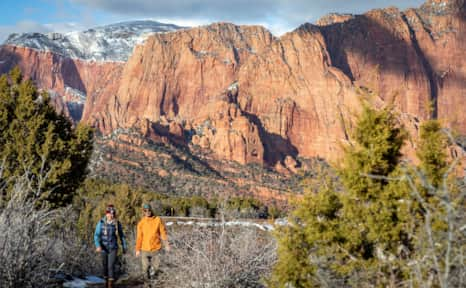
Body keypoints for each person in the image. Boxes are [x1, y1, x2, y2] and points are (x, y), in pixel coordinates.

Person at [135, 203, 170, 287]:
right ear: (143, 212)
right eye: (145, 211)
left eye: (149, 210)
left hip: (156, 249)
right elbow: (139, 237)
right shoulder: (141, 223)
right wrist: (137, 249)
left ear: (151, 210)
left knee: (157, 269)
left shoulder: (158, 220)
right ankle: (147, 285)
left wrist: (166, 244)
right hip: (145, 249)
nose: (147, 212)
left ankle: (154, 283)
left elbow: (163, 233)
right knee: (145, 269)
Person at [94, 204, 127, 288]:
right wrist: (98, 245)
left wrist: (124, 246)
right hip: (103, 248)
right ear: (106, 214)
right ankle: (106, 282)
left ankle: (110, 285)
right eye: (109, 213)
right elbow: (96, 235)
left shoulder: (116, 223)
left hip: (113, 248)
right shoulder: (101, 223)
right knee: (105, 267)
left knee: (110, 267)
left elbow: (121, 236)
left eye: (113, 214)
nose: (111, 215)